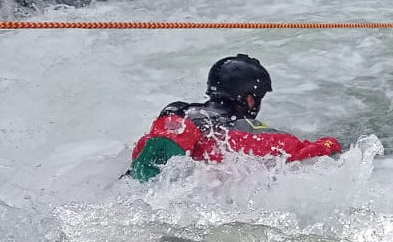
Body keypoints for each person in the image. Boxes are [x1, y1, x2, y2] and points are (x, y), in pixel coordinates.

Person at [125, 54, 341, 182]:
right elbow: (307, 152)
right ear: (249, 100)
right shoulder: (247, 130)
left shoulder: (177, 112)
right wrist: (331, 144)